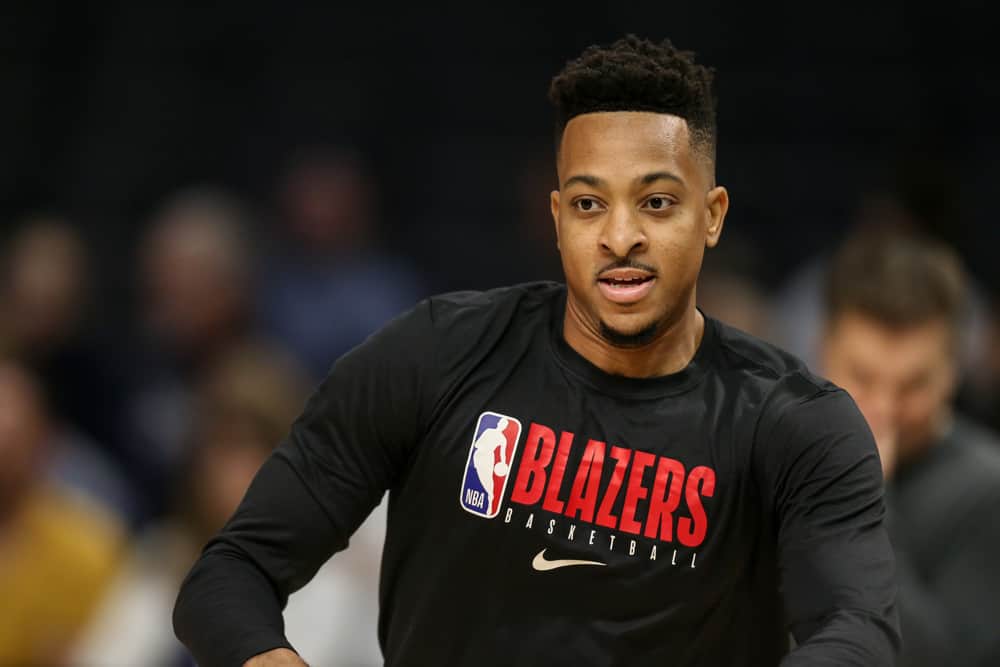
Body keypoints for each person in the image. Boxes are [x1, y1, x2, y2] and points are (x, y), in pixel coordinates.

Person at [174, 35, 899, 666]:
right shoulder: (434, 356)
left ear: (710, 216)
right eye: (590, 203)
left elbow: (856, 627)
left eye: (656, 202)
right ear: (556, 217)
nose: (620, 237)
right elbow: (230, 572)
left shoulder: (796, 423)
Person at [819, 227, 1000, 667]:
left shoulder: (987, 489)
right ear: (823, 353)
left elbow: (944, 658)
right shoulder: (769, 447)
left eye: (914, 385)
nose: (884, 408)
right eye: (862, 377)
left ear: (953, 371)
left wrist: (864, 501)